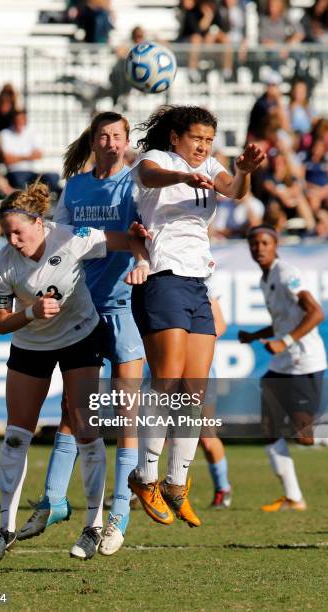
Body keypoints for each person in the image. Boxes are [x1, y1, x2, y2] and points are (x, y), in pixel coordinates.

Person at [0, 181, 148, 562]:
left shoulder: (74, 238)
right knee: (14, 436)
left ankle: (92, 525)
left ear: (39, 223)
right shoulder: (4, 263)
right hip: (30, 346)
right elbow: (1, 322)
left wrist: (141, 259)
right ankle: (5, 528)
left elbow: (128, 240)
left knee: (86, 429)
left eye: (18, 231)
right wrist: (30, 313)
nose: (12, 239)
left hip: (79, 338)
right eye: (6, 233)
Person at [17, 112, 148, 559]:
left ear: (128, 141)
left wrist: (144, 259)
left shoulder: (138, 181)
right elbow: (61, 241)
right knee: (74, 406)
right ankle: (54, 499)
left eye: (118, 136)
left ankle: (119, 514)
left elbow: (149, 234)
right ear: (93, 140)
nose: (111, 143)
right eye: (103, 136)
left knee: (126, 407)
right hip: (84, 310)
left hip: (125, 305)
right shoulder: (75, 187)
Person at [128, 105, 265, 528]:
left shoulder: (210, 164)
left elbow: (235, 191)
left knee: (193, 389)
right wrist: (184, 176)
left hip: (197, 282)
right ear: (175, 138)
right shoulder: (159, 162)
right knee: (167, 380)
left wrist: (244, 171)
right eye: (195, 139)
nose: (202, 147)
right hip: (163, 276)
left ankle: (176, 483)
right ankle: (145, 476)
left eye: (208, 140)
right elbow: (148, 177)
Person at [238, 225, 327, 511]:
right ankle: (293, 497)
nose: (259, 248)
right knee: (269, 426)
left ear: (275, 245)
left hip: (304, 360)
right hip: (283, 364)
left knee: (305, 435)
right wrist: (255, 336)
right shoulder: (265, 279)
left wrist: (284, 341)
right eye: (254, 243)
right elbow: (282, 322)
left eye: (264, 242)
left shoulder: (286, 273)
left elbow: (316, 312)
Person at [199, 274, 232, 508]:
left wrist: (187, 343)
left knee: (206, 436)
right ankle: (135, 490)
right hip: (159, 366)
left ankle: (223, 488)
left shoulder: (203, 274)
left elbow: (219, 324)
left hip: (197, 368)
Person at [0, 110, 60, 193]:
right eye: (17, 120)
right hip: (16, 173)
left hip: (31, 172)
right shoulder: (5, 133)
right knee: (21, 182)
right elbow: (7, 159)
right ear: (13, 120)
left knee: (53, 177)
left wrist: (17, 157)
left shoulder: (31, 132)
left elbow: (39, 155)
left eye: (21, 119)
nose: (19, 122)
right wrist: (28, 156)